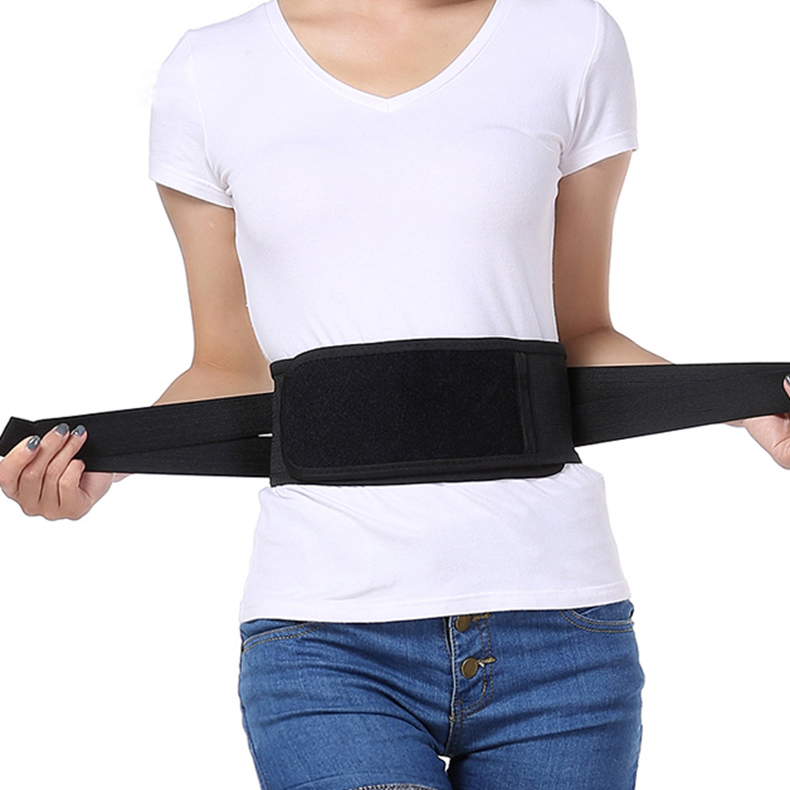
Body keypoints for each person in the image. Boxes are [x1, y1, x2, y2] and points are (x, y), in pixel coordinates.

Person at [1, 1, 789, 788]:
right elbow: (229, 366)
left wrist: (744, 402)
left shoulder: (570, 37)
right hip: (326, 631)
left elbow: (579, 333)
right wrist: (103, 463)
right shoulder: (208, 70)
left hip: (556, 625)